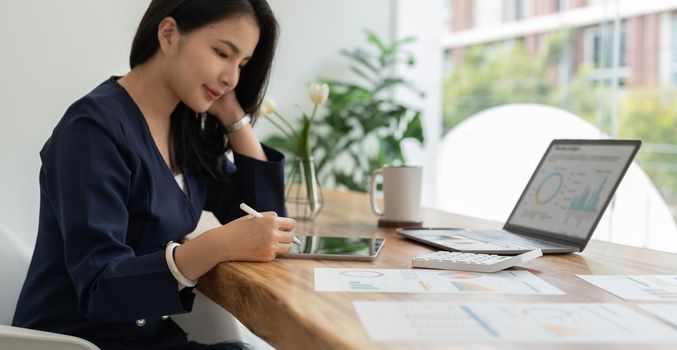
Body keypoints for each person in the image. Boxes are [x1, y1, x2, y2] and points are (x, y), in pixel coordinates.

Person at [12, 0, 296, 349]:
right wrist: (217, 245)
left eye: (243, 64)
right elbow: (101, 285)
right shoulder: (92, 131)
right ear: (169, 34)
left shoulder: (186, 131)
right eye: (222, 53)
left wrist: (233, 116)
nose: (232, 77)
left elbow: (264, 219)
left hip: (147, 339)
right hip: (78, 342)